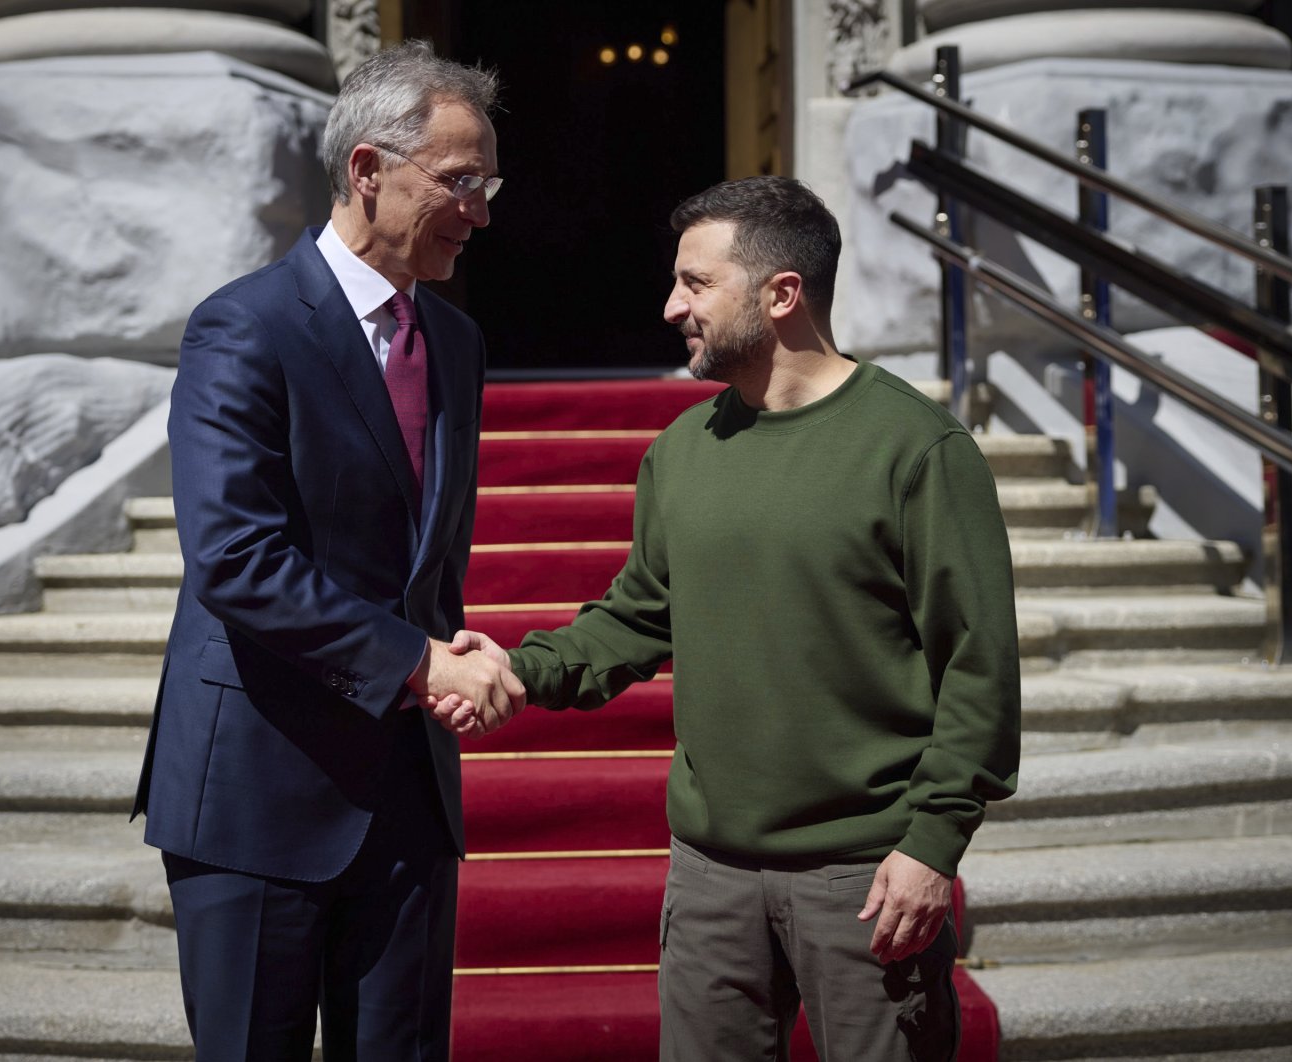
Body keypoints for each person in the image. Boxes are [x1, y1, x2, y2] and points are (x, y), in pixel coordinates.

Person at [439, 176, 1020, 1061]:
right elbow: (635, 619)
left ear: (782, 293)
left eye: (696, 283)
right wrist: (521, 669)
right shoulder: (682, 452)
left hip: (866, 875)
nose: (673, 306)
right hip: (711, 879)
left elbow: (979, 665)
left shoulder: (919, 451)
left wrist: (934, 844)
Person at [130, 40, 523, 1061]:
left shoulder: (458, 343)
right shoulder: (244, 327)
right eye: (459, 181)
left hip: (406, 801)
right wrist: (414, 661)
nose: (480, 210)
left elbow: (421, 554)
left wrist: (453, 649)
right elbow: (235, 558)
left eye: (488, 183)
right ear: (367, 171)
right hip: (259, 794)